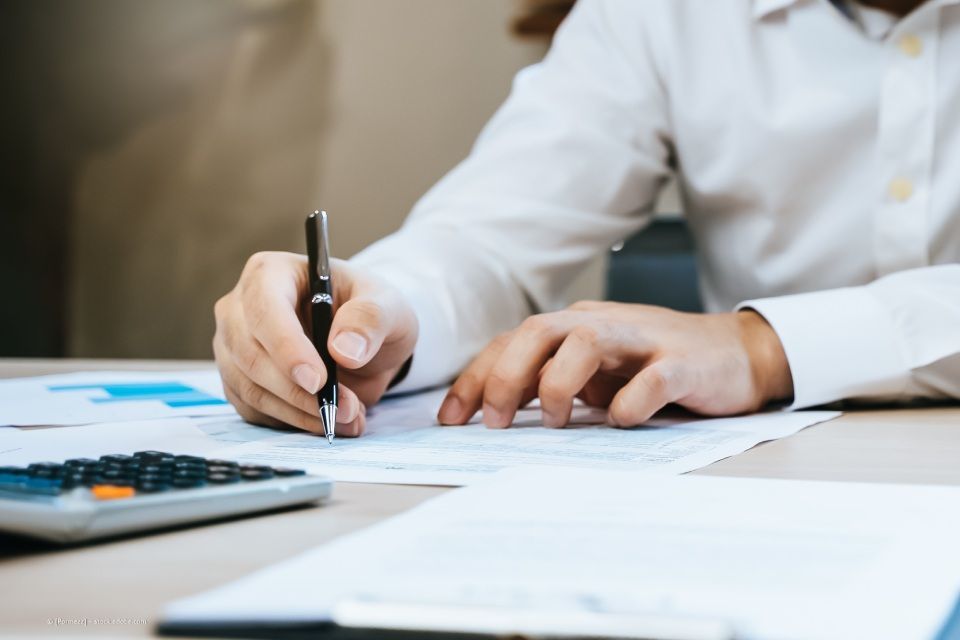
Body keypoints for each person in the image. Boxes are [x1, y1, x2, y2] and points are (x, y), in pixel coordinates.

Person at [213, 0, 960, 437]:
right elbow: (494, 237)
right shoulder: (658, 14)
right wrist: (382, 310)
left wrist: (761, 348)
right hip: (758, 485)